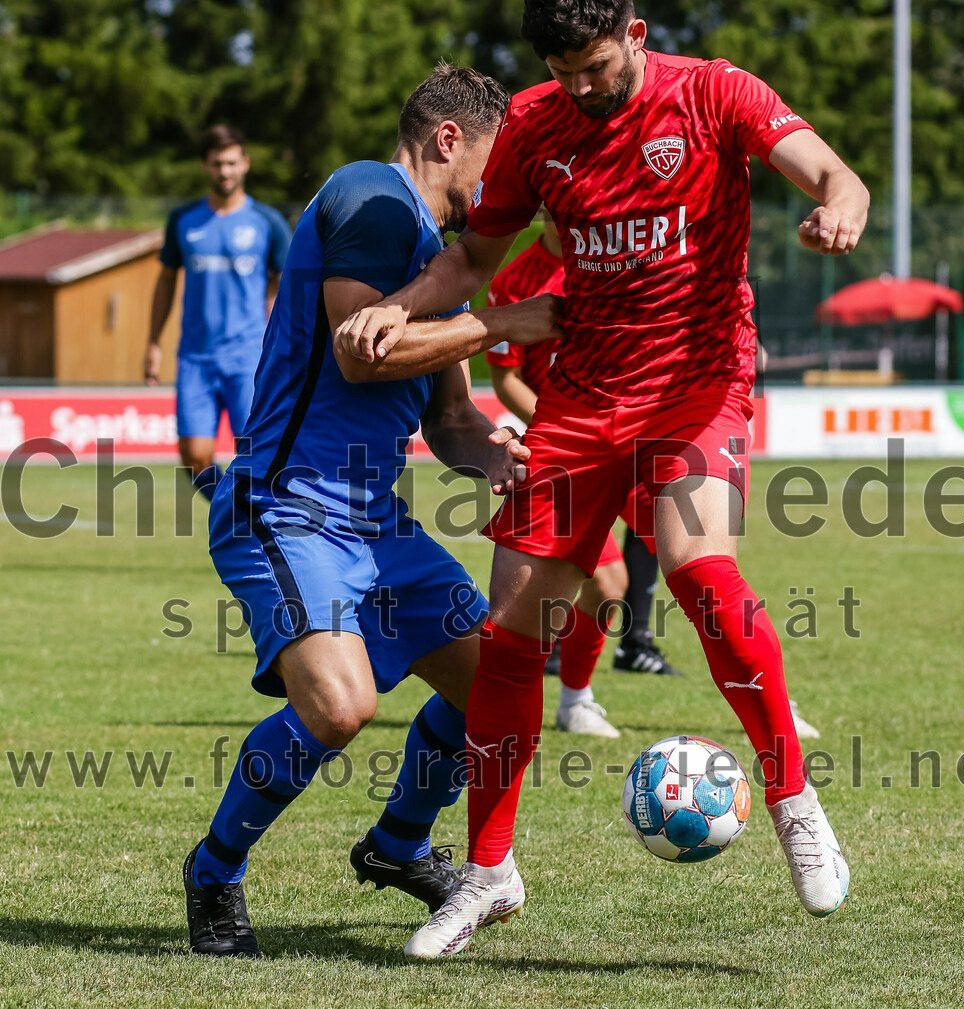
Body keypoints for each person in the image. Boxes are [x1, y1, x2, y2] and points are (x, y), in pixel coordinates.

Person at [338, 1, 869, 957]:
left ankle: (791, 799)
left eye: (595, 65)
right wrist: (397, 308)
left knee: (698, 567)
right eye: (562, 68)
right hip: (583, 398)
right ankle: (490, 872)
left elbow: (835, 173)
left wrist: (839, 208)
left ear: (633, 26)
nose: (580, 87)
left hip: (699, 378)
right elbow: (473, 258)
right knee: (510, 636)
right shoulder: (536, 126)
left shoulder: (714, 92)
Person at [182, 64, 560, 958]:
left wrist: (501, 454)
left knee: (499, 689)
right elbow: (362, 353)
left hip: (373, 520)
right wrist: (510, 320)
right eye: (498, 161)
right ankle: (215, 866)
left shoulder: (441, 260)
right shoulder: (372, 196)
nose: (504, 187)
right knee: (340, 706)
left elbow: (453, 419)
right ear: (448, 139)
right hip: (287, 504)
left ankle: (396, 844)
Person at [487, 214, 675, 739]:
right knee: (608, 585)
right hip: (564, 448)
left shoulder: (617, 260)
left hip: (628, 434)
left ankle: (760, 685)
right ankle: (566, 700)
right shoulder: (514, 280)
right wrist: (558, 426)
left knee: (703, 562)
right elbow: (506, 380)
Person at [145, 125, 291, 501]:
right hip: (195, 357)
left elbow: (288, 283)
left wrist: (284, 338)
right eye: (216, 164)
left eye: (230, 163)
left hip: (248, 358)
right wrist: (153, 343)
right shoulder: (184, 220)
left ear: (244, 163)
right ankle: (236, 510)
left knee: (256, 455)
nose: (224, 171)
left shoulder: (267, 222)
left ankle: (254, 522)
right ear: (204, 167)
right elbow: (165, 283)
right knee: (194, 457)